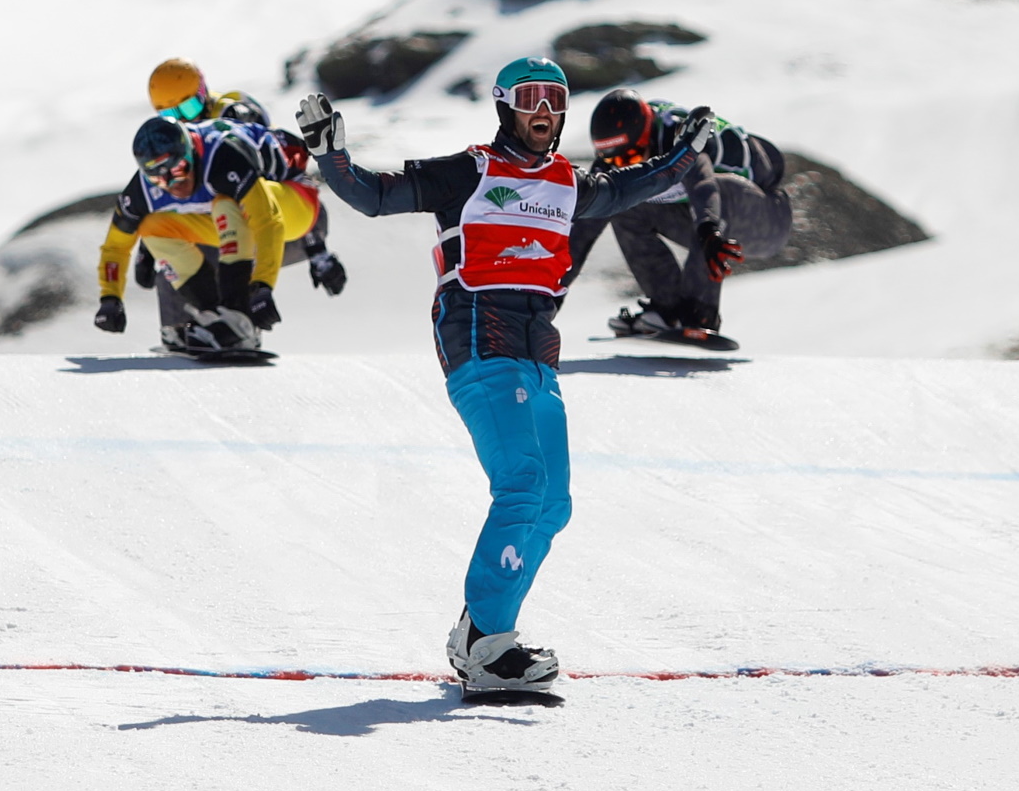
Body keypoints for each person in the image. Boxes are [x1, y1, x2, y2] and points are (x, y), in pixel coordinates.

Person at [294, 57, 710, 695]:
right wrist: (331, 155)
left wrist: (685, 153)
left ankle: (480, 632)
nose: (542, 109)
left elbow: (633, 186)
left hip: (538, 343)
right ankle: (489, 645)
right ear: (504, 107)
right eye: (528, 98)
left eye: (554, 98)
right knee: (522, 486)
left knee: (552, 503)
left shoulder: (571, 182)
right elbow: (375, 196)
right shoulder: (471, 170)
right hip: (478, 328)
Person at [93, 114, 341, 351]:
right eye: (158, 179)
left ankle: (239, 317)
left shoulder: (222, 157)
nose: (171, 183)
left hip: (297, 205)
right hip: (242, 219)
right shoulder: (143, 188)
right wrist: (110, 298)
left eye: (178, 170)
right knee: (152, 228)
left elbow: (268, 221)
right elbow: (116, 246)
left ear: (190, 152)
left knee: (225, 203)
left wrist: (262, 286)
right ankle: (215, 316)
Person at [136, 58, 348, 330]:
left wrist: (318, 251)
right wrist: (148, 246)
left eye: (189, 107)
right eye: (170, 116)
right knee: (176, 266)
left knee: (230, 251)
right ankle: (186, 333)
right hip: (235, 227)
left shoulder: (234, 121)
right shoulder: (176, 145)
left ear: (204, 93)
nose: (185, 121)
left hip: (284, 229)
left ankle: (237, 330)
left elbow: (284, 184)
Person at [565, 88, 794, 338]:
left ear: (646, 137)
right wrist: (546, 299)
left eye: (629, 157)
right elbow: (582, 235)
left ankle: (701, 313)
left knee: (720, 189)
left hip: (767, 217)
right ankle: (669, 311)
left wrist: (708, 230)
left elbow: (703, 184)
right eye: (615, 163)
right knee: (621, 205)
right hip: (710, 222)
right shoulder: (612, 162)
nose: (625, 166)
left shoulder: (677, 135)